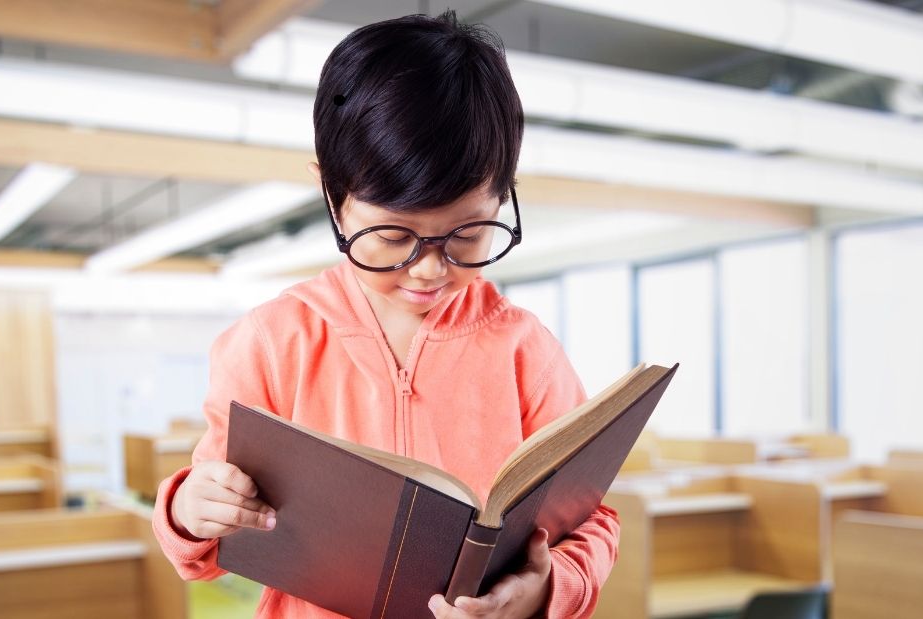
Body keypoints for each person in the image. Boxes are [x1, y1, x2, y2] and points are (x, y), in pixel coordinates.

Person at [152, 11, 619, 618]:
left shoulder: (524, 347)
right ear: (332, 199)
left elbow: (591, 520)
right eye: (394, 235)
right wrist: (191, 509)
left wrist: (548, 589)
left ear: (504, 197)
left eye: (468, 233)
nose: (429, 269)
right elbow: (206, 540)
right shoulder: (270, 342)